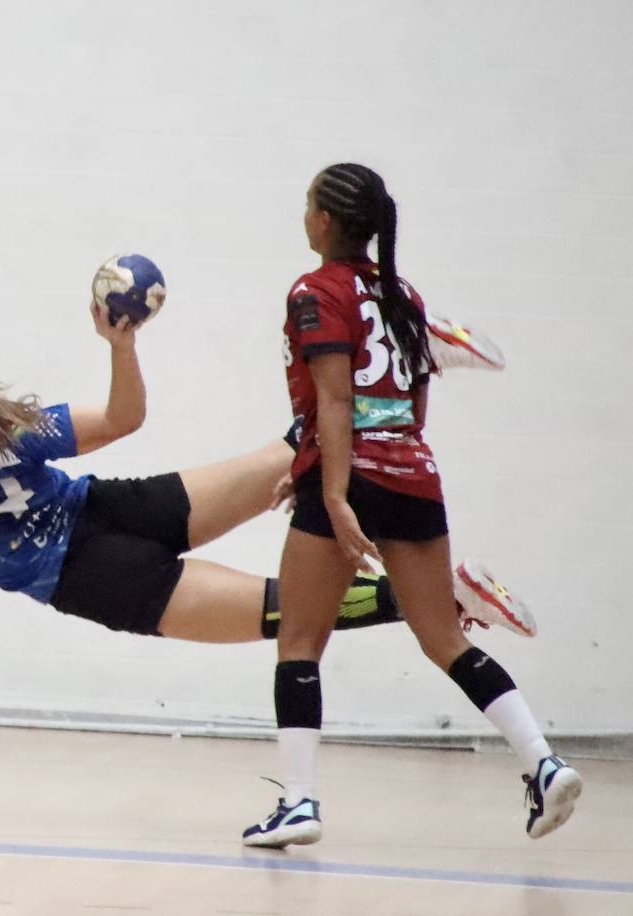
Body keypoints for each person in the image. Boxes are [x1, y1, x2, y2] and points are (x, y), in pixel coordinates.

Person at [0, 300, 532, 677]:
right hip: (122, 506)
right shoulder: (2, 424)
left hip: (94, 576)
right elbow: (125, 418)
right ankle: (411, 353)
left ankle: (453, 595)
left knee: (289, 614)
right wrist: (121, 348)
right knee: (296, 451)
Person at [242, 163, 580, 849]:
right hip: (414, 473)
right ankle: (542, 763)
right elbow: (409, 403)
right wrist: (312, 465)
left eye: (309, 205)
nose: (303, 215)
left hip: (354, 475)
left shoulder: (315, 291)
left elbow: (337, 399)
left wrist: (331, 492)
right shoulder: (401, 293)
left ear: (327, 221)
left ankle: (300, 802)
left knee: (300, 642)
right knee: (444, 638)